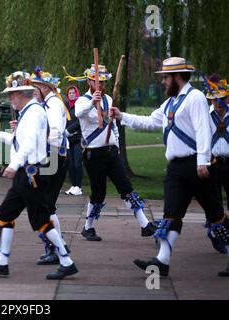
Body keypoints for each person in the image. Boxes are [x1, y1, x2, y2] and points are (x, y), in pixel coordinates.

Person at [111, 57, 229, 277]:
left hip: (197, 166)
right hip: (176, 168)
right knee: (171, 215)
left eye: (165, 77)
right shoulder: (170, 103)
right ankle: (162, 262)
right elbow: (150, 121)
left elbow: (204, 131)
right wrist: (121, 116)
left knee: (216, 216)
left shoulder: (195, 98)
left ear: (177, 77)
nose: (163, 81)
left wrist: (203, 161)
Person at [0, 71, 78, 280]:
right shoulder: (29, 112)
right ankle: (2, 262)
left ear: (24, 93)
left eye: (13, 94)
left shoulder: (33, 113)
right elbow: (18, 141)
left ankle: (66, 261)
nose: (10, 98)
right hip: (26, 173)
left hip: (31, 174)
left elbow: (30, 143)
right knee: (5, 214)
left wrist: (13, 165)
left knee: (40, 218)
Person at [75, 64, 156, 242]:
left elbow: (113, 125)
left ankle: (145, 225)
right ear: (89, 81)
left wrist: (117, 146)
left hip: (111, 151)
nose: (101, 86)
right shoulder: (82, 101)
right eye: (97, 82)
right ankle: (88, 227)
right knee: (99, 193)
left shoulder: (109, 100)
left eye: (103, 82)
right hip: (93, 154)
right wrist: (92, 102)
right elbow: (78, 113)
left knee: (126, 188)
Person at [30, 68, 71, 265]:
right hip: (55, 156)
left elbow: (54, 132)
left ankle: (56, 248)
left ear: (45, 87)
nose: (32, 91)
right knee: (46, 204)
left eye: (35, 87)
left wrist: (46, 156)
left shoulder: (53, 104)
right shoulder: (48, 103)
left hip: (53, 157)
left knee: (45, 205)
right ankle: (58, 245)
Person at [204, 75, 229, 255]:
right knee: (214, 203)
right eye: (214, 100)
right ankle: (216, 234)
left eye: (222, 100)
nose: (218, 104)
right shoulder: (205, 116)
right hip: (212, 163)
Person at [64, 85, 83, 196]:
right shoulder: (66, 107)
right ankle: (73, 185)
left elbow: (79, 121)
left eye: (73, 93)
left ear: (77, 94)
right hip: (68, 140)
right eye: (69, 93)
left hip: (78, 138)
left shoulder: (79, 106)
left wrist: (69, 130)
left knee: (77, 163)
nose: (71, 95)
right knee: (70, 164)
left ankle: (78, 187)